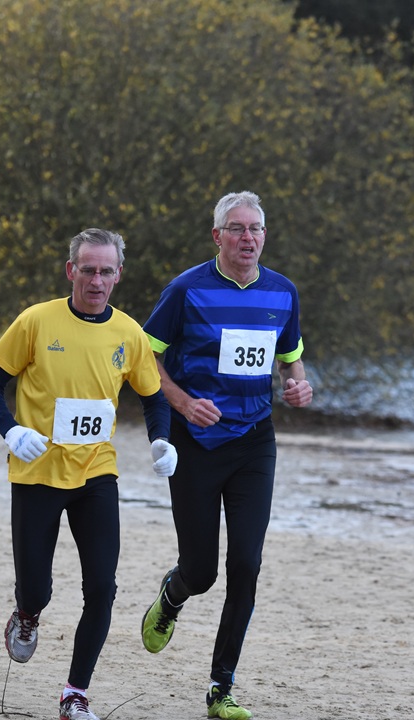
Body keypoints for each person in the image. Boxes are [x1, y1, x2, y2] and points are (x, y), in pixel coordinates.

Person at [0, 228, 177, 720]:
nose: (96, 279)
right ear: (71, 271)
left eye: (107, 270)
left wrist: (161, 439)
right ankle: (26, 615)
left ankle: (75, 694)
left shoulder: (128, 332)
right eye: (88, 269)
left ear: (118, 276)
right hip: (36, 471)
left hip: (96, 474)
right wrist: (11, 430)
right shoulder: (36, 322)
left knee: (102, 588)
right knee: (36, 588)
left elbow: (152, 395)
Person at [139, 191, 313, 720]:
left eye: (256, 229)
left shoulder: (283, 292)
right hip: (196, 444)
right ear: (217, 236)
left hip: (255, 443)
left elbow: (291, 362)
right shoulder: (185, 291)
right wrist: (184, 403)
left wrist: (299, 388)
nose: (248, 238)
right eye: (236, 229)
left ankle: (221, 689)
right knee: (203, 571)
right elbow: (145, 363)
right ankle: (173, 594)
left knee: (247, 566)